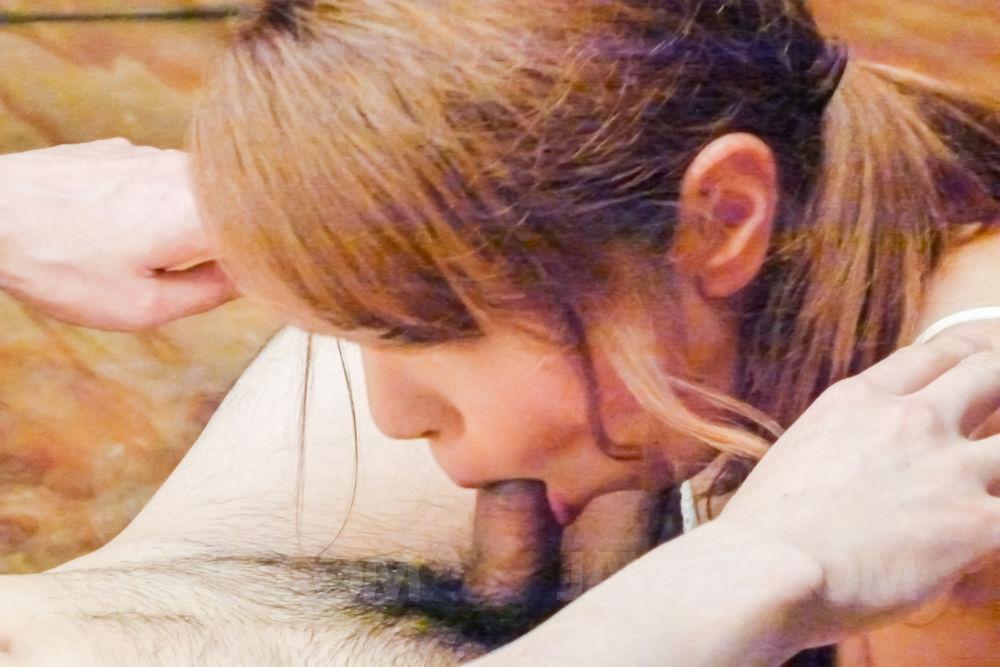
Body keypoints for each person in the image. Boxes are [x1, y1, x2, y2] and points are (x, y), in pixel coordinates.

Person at [0, 1, 997, 665]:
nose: (395, 416)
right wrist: (761, 564)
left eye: (408, 329)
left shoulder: (955, 436)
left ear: (722, 218)